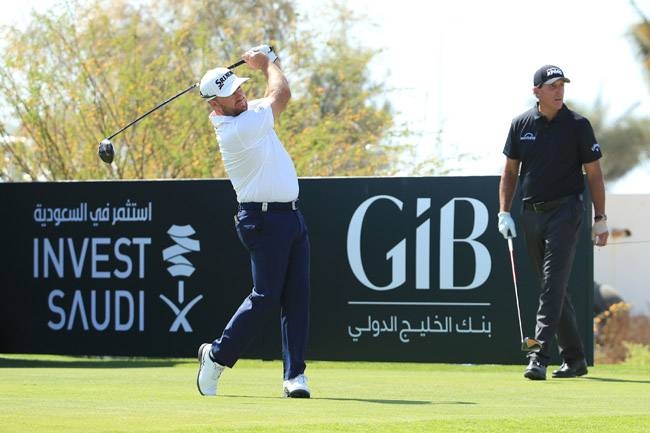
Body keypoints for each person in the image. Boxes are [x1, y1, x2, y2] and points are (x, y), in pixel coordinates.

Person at [195, 45, 311, 397]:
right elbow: (281, 93)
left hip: (290, 216)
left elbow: (270, 98)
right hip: (261, 221)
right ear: (216, 106)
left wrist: (263, 69)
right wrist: (268, 63)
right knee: (265, 297)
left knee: (297, 298)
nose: (241, 96)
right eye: (231, 95)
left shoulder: (249, 112)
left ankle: (295, 377)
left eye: (240, 88)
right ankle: (216, 357)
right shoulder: (236, 131)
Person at [497, 65, 609, 380]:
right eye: (552, 86)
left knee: (552, 284)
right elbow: (510, 171)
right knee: (554, 289)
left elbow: (595, 174)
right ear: (537, 92)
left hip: (567, 211)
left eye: (562, 85)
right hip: (532, 212)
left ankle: (538, 356)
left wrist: (599, 218)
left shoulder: (578, 125)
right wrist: (504, 211)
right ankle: (575, 359)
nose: (559, 91)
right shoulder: (521, 124)